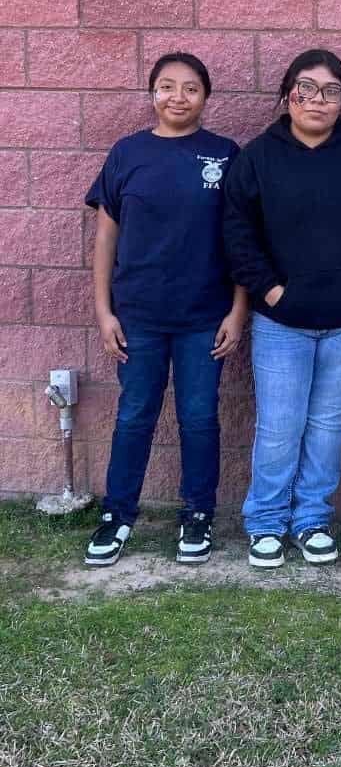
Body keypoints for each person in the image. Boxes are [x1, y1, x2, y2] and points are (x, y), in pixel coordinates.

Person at [223, 49, 341, 570]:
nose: (318, 100)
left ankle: (312, 519)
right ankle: (267, 522)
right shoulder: (256, 157)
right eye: (307, 88)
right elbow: (236, 234)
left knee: (327, 424)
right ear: (286, 96)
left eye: (331, 91)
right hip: (281, 321)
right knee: (279, 424)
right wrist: (271, 291)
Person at [83, 53, 246, 567]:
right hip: (138, 317)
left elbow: (241, 241)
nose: (179, 96)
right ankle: (118, 515)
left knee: (199, 418)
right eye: (167, 86)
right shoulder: (127, 153)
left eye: (191, 87)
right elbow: (106, 237)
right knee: (134, 416)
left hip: (205, 317)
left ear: (205, 96)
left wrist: (238, 311)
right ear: (152, 93)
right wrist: (104, 312)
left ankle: (197, 515)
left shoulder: (225, 155)